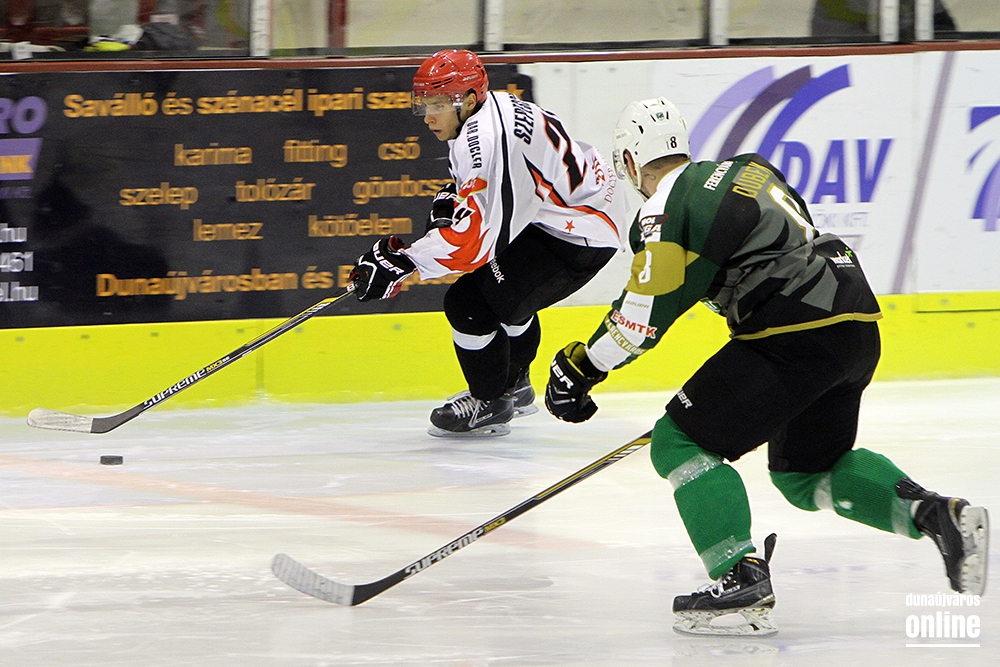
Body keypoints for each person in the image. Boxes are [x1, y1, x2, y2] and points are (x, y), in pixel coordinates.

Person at [544, 97, 989, 636]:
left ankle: (739, 577)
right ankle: (939, 516)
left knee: (679, 442)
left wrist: (583, 366)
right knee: (806, 473)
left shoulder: (664, 208)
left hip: (791, 334)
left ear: (632, 163)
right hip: (853, 325)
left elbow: (641, 318)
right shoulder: (751, 169)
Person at [350, 49, 628, 437]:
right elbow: (498, 191)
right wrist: (456, 200)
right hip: (571, 207)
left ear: (467, 100)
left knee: (468, 304)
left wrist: (404, 262)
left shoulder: (484, 142)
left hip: (580, 231)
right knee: (506, 293)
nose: (428, 116)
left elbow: (476, 243)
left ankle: (491, 400)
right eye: (424, 104)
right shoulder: (492, 105)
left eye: (438, 104)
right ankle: (517, 384)